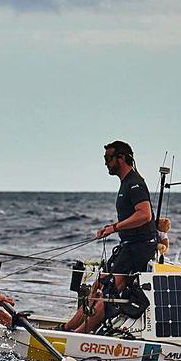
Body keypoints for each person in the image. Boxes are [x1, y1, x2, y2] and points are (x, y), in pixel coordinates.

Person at [61, 140, 157, 333]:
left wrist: (114, 227)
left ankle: (79, 334)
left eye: (107, 158)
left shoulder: (135, 183)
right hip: (127, 245)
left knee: (109, 291)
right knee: (99, 285)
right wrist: (113, 228)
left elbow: (144, 214)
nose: (105, 163)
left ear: (120, 158)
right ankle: (68, 327)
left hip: (139, 247)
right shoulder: (126, 183)